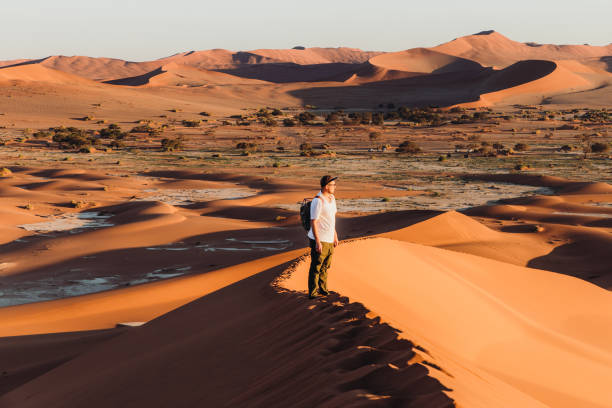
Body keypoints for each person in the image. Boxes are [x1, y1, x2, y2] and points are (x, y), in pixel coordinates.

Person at [307, 175, 338, 299]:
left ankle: (323, 289)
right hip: (320, 239)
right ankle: (313, 293)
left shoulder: (332, 198)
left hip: (330, 238)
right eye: (333, 185)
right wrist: (318, 242)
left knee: (326, 266)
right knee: (316, 266)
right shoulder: (318, 200)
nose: (335, 187)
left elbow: (332, 219)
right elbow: (313, 221)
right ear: (326, 186)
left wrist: (335, 235)